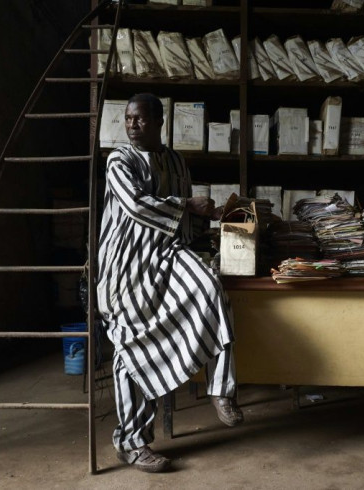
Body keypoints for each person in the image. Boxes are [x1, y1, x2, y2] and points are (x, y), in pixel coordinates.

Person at [96, 93, 243, 473]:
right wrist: (186, 205)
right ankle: (131, 443)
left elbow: (187, 221)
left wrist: (210, 219)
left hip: (168, 254)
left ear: (160, 122)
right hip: (125, 266)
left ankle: (222, 391)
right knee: (130, 347)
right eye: (128, 119)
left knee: (211, 289)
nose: (131, 125)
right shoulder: (119, 160)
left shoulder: (177, 160)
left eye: (140, 119)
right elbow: (136, 205)